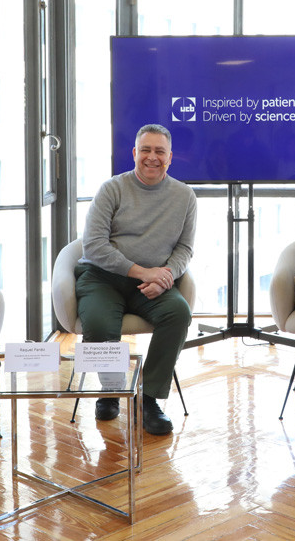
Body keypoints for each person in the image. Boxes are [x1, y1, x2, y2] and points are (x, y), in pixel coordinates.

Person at [75, 124, 197, 436]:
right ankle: (111, 389)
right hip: (103, 278)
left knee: (178, 313)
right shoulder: (111, 189)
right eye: (146, 150)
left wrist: (166, 276)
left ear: (170, 158)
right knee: (101, 324)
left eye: (159, 151)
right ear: (134, 153)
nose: (152, 157)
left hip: (154, 284)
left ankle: (150, 397)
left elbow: (184, 248)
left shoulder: (185, 196)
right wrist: (144, 272)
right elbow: (94, 246)